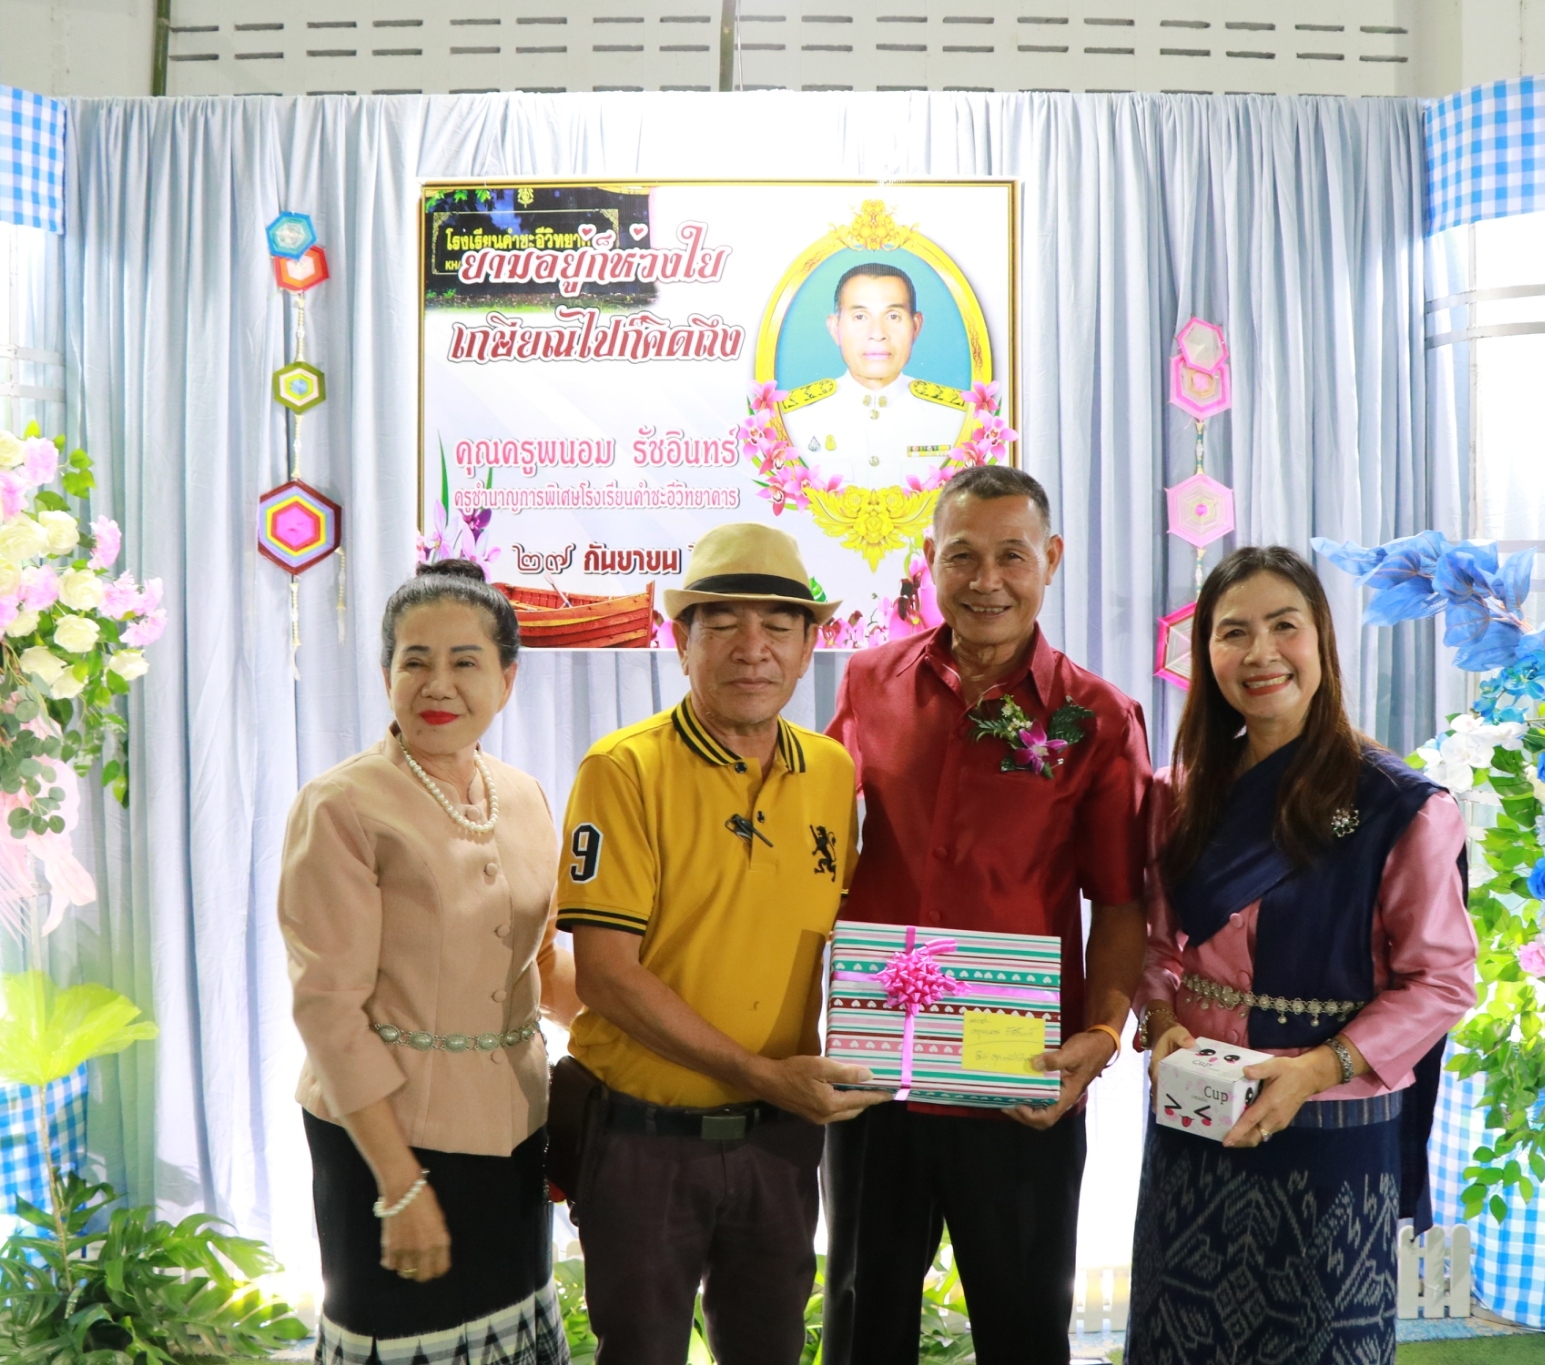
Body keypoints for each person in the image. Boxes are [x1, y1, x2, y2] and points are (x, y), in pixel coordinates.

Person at [820, 465, 1152, 1365]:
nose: (987, 580)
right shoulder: (870, 680)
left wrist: (1101, 1036)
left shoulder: (1098, 717)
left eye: (1012, 555)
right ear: (930, 559)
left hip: (1019, 1078)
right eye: (962, 555)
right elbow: (822, 844)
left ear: (1051, 559)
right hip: (877, 1075)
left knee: (1024, 1328)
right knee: (861, 1322)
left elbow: (1120, 899)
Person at [1126, 546, 1476, 1365]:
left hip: (1333, 1122)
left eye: (1284, 626)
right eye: (1233, 632)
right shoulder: (1178, 795)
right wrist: (1162, 1017)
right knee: (1182, 1338)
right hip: (1198, 1112)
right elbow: (1155, 943)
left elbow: (1441, 980)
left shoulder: (1397, 806)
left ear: (1321, 637)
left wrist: (1315, 1069)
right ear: (1205, 653)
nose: (1261, 653)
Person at [555, 522, 884, 1365]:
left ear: (809, 647)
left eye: (778, 625)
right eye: (724, 622)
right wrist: (761, 1072)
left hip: (779, 1141)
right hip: (643, 1141)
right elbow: (606, 976)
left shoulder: (832, 772)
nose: (752, 647)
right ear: (681, 640)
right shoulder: (624, 770)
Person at [277, 559, 579, 1365]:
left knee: (508, 1330)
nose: (437, 684)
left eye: (465, 661)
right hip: (384, 1136)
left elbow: (542, 963)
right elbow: (328, 1012)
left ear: (506, 679)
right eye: (415, 660)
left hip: (516, 1130)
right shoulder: (342, 804)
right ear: (387, 676)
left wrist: (645, 1035)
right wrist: (399, 1183)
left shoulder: (523, 794)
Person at [780, 261, 968, 484]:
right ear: (834, 328)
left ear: (916, 326)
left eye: (893, 316)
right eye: (860, 317)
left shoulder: (957, 417)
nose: (877, 334)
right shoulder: (792, 420)